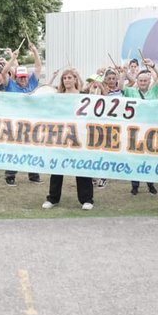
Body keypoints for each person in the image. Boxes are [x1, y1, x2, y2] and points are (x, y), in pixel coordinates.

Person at [42, 68, 94, 210]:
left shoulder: (84, 96)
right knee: (57, 167)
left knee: (82, 167)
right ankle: (53, 198)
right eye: (65, 78)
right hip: (61, 136)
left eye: (70, 77)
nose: (67, 80)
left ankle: (87, 199)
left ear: (75, 79)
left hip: (80, 137)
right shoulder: (58, 96)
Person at [1, 43, 44, 185]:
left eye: (25, 77)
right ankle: (10, 175)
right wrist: (12, 59)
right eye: (20, 77)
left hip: (31, 122)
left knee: (32, 147)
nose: (23, 79)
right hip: (14, 122)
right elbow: (3, 73)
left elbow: (38, 67)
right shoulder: (10, 85)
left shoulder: (32, 83)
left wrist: (35, 51)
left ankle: (34, 174)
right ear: (16, 77)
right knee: (15, 148)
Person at [121, 67, 158, 195]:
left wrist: (153, 67)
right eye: (141, 80)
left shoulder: (154, 91)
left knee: (149, 158)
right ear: (137, 81)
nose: (143, 83)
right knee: (135, 159)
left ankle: (150, 185)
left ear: (149, 81)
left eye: (145, 80)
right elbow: (121, 86)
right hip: (135, 131)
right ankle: (135, 186)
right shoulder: (131, 92)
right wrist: (123, 73)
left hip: (150, 131)